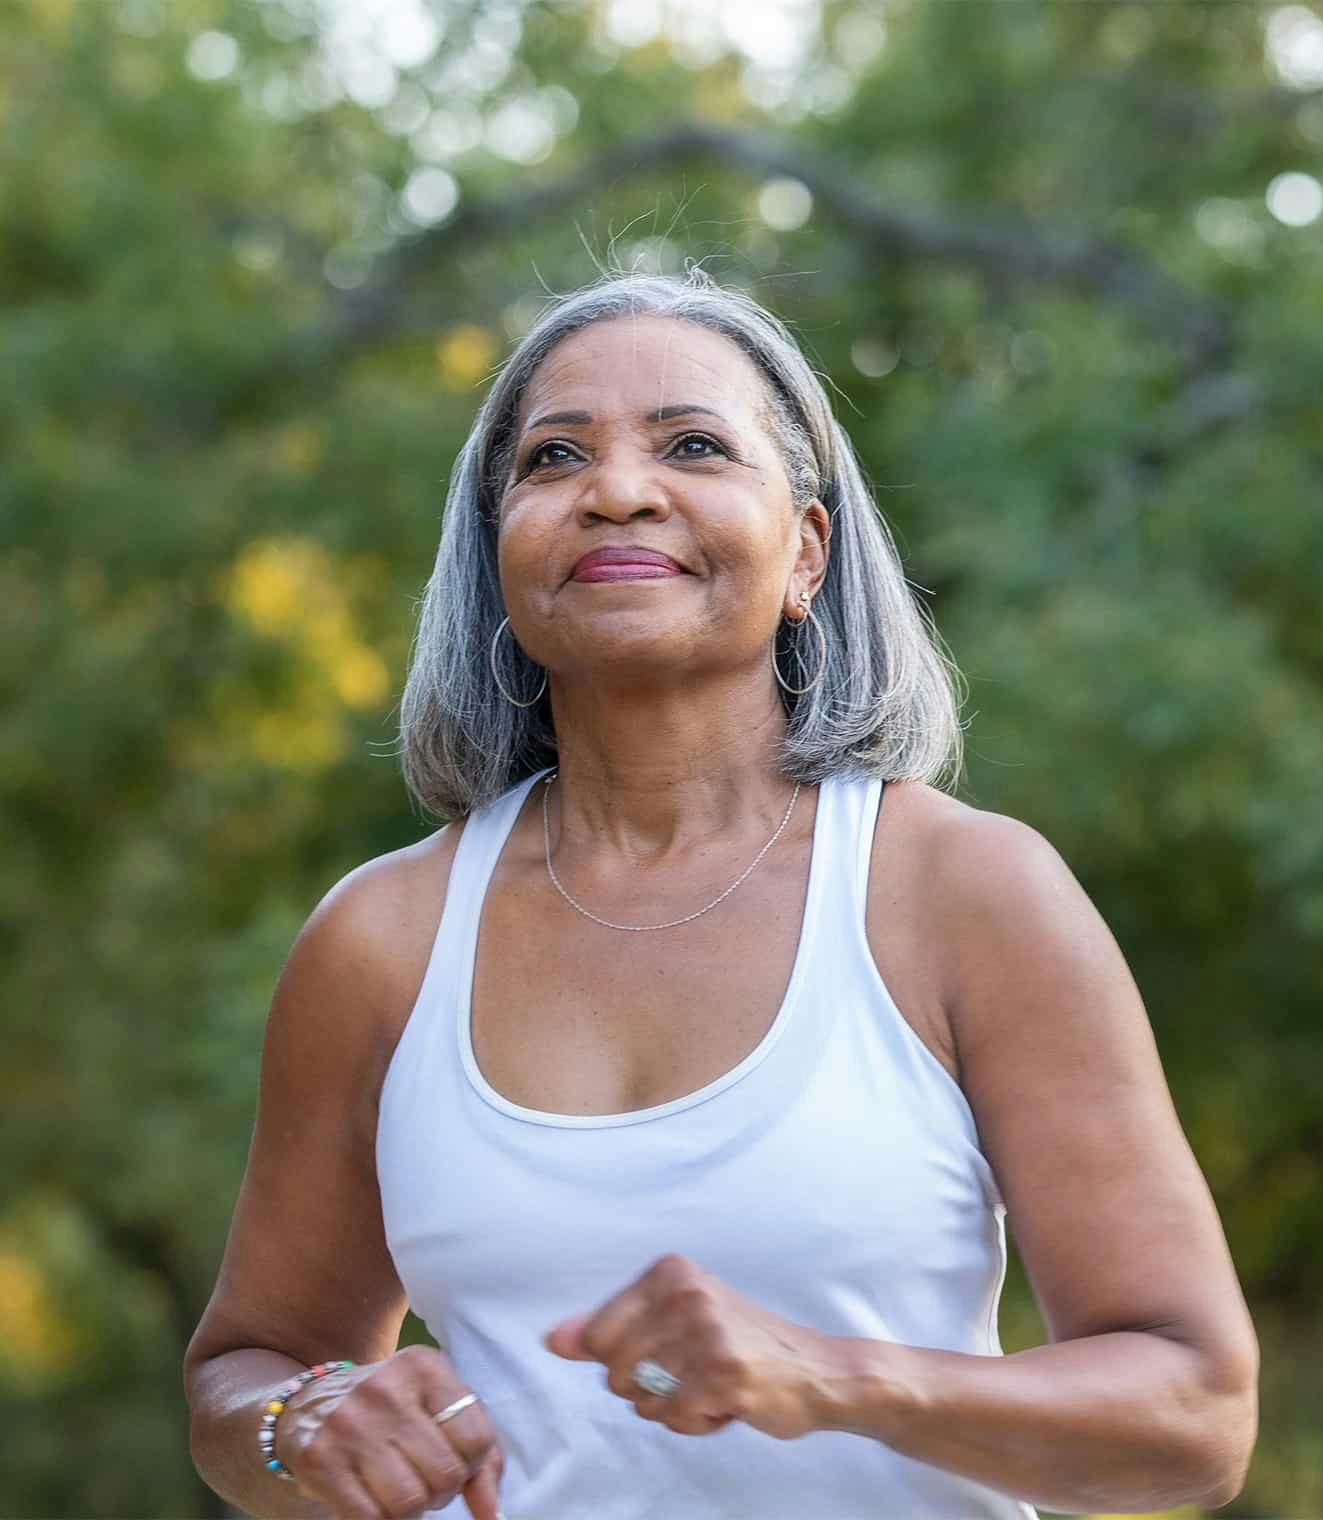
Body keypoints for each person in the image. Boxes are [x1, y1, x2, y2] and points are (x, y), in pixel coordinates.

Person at [183, 267, 1260, 1520]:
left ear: (806, 549)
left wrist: (836, 1374)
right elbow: (240, 1373)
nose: (619, 488)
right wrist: (299, 1422)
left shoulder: (962, 891)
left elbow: (1194, 1416)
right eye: (552, 458)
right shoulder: (382, 938)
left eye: (693, 444)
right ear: (499, 554)